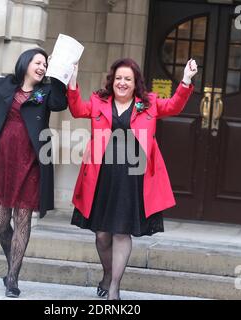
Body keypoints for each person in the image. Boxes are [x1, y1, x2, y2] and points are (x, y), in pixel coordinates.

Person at [67, 58, 197, 299]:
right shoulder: (99, 101)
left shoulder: (149, 104)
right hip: (103, 175)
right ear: (112, 81)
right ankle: (107, 274)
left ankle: (115, 286)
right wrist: (72, 81)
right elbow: (77, 109)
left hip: (133, 176)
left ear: (136, 82)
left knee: (121, 232)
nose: (122, 83)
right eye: (118, 78)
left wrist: (186, 80)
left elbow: (175, 106)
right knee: (102, 234)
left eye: (128, 79)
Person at [0, 25, 67, 298]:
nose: (42, 67)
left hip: (30, 162)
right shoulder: (5, 85)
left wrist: (59, 75)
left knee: (22, 219)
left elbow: (60, 103)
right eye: (38, 62)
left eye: (45, 64)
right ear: (26, 63)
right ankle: (12, 262)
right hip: (3, 161)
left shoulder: (46, 92)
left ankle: (13, 279)